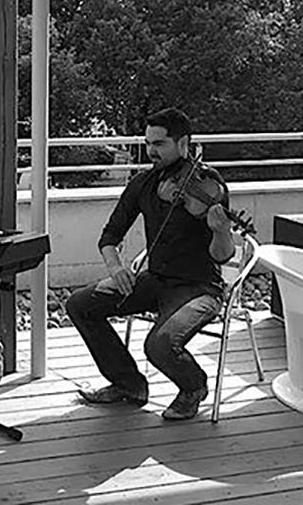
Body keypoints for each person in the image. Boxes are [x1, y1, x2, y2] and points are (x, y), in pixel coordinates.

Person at [66, 107, 234, 421]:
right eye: (148, 143)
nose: (151, 151)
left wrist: (221, 231)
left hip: (199, 288)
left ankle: (193, 387)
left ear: (183, 143)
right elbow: (110, 235)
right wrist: (117, 268)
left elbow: (222, 255)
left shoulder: (208, 184)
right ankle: (128, 384)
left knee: (159, 345)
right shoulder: (144, 183)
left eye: (159, 144)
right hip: (156, 280)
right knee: (80, 304)